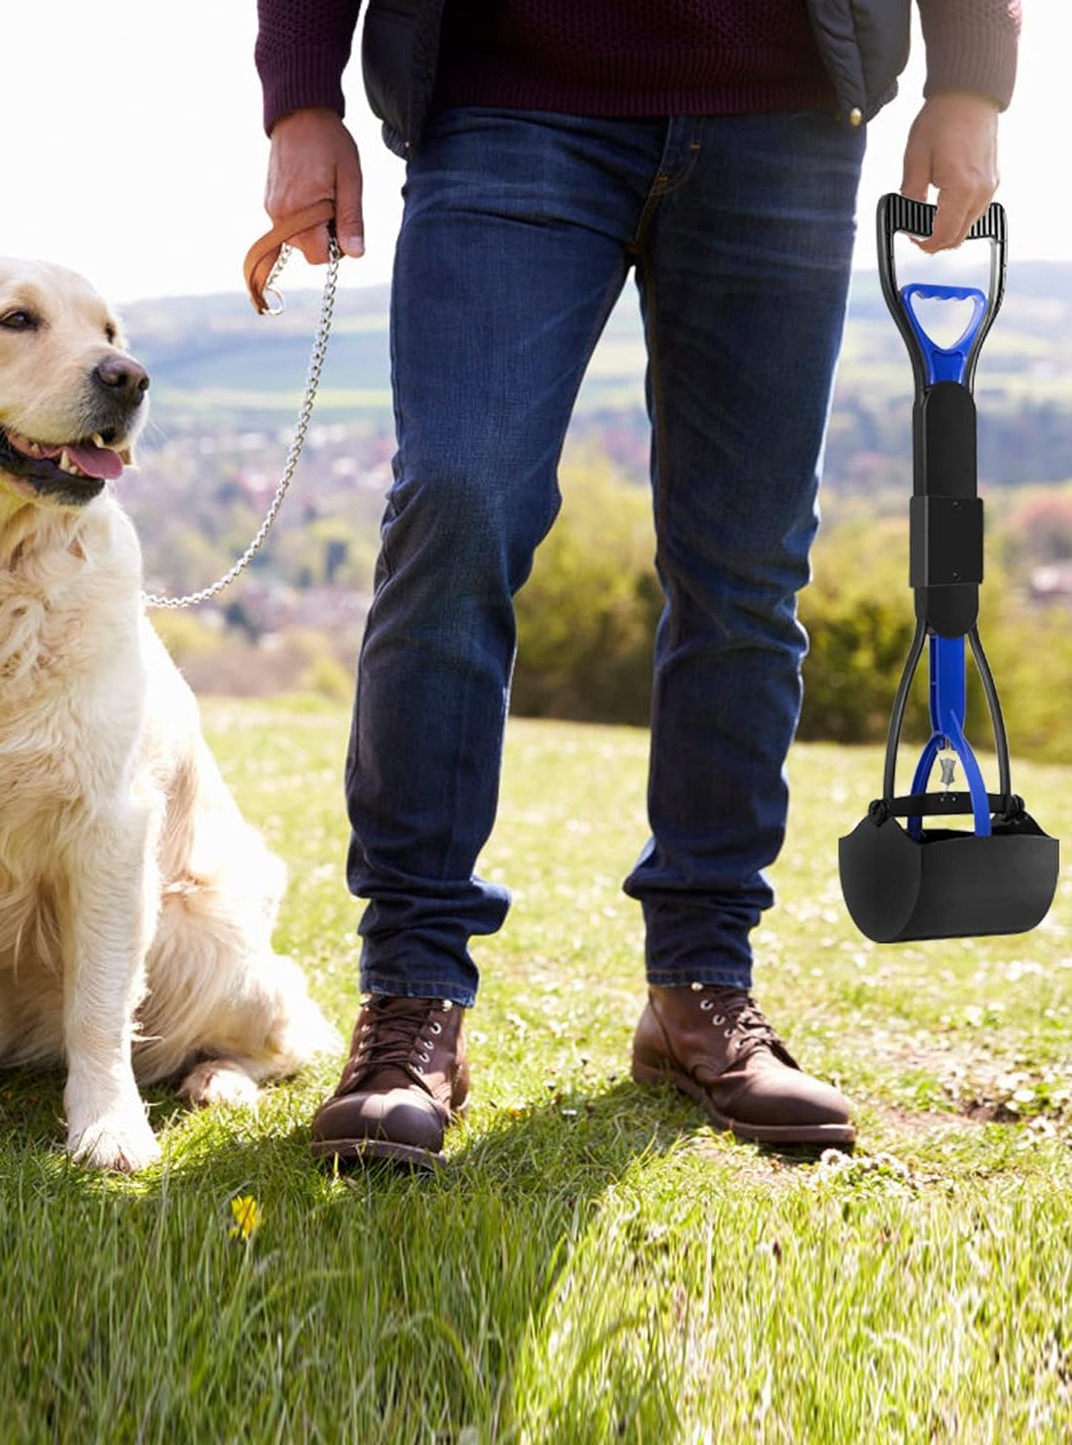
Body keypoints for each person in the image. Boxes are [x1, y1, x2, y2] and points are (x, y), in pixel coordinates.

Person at [255, 1, 1019, 1169]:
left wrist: (969, 80)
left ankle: (699, 985)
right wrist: (302, 97)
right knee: (457, 506)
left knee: (745, 565)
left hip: (783, 109)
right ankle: (410, 995)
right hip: (505, 95)